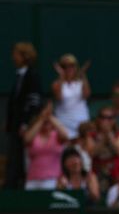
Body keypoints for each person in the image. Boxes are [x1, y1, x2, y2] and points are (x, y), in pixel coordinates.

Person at [4, 42, 43, 189]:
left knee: (21, 160)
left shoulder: (32, 75)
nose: (13, 57)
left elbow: (34, 101)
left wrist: (26, 123)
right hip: (16, 127)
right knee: (14, 159)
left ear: (24, 56)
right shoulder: (21, 76)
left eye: (16, 54)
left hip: (24, 128)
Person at [23, 102, 68, 190]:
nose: (46, 122)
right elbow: (27, 139)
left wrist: (49, 116)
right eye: (45, 120)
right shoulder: (34, 135)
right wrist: (42, 118)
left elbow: (66, 135)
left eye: (49, 120)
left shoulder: (56, 135)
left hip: (53, 179)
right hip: (33, 179)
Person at [52, 54, 91, 140]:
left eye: (72, 66)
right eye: (64, 66)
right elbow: (59, 97)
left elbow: (86, 95)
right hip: (64, 125)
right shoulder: (56, 84)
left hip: (82, 125)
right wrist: (61, 76)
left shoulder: (81, 83)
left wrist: (83, 75)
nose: (68, 69)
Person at [92, 107, 119, 194]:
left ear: (114, 120)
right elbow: (92, 153)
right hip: (96, 169)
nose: (106, 120)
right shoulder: (91, 134)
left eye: (109, 118)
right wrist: (103, 139)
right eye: (103, 117)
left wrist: (109, 134)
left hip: (115, 170)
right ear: (98, 119)